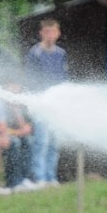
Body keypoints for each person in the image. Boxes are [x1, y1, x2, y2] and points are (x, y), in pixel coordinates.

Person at [25, 19, 68, 187]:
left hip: (56, 106)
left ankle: (51, 178)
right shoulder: (34, 53)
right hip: (41, 104)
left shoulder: (61, 54)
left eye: (53, 31)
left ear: (58, 34)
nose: (50, 35)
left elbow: (63, 78)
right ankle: (39, 177)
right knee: (41, 142)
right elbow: (30, 80)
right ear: (41, 33)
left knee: (54, 143)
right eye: (47, 32)